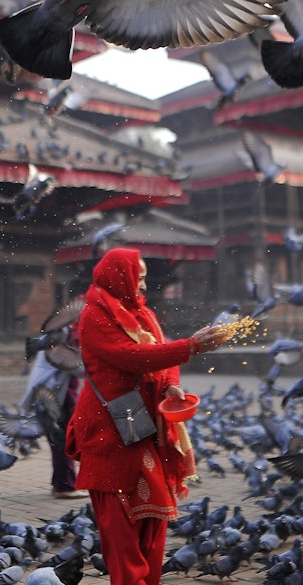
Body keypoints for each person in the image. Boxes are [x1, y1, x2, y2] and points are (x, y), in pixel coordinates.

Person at [65, 248, 230, 585]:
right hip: (110, 434)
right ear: (118, 277)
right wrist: (190, 347)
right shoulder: (93, 317)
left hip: (146, 430)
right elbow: (131, 356)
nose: (142, 283)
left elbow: (161, 357)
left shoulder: (143, 314)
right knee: (120, 531)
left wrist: (171, 385)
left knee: (153, 522)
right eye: (136, 276)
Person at [21, 324, 84, 499]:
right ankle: (64, 486)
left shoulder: (60, 333)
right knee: (63, 440)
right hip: (55, 398)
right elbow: (79, 368)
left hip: (54, 395)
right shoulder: (59, 340)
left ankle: (60, 482)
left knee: (59, 440)